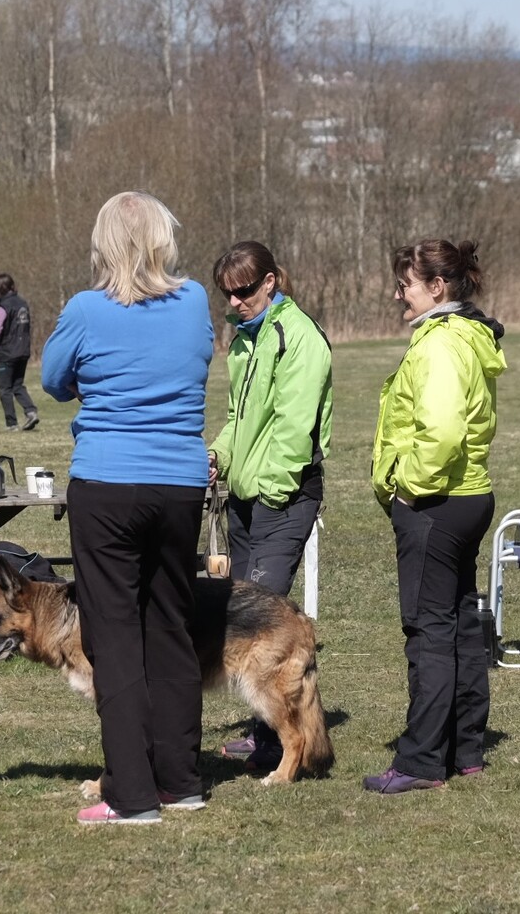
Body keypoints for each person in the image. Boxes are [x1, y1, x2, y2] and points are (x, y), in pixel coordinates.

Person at [40, 191, 214, 825]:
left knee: (113, 639)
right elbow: (195, 360)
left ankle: (132, 795)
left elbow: (53, 380)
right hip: (179, 484)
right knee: (170, 627)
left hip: (108, 483)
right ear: (163, 240)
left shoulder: (86, 309)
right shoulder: (195, 300)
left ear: (104, 244)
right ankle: (180, 780)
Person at [365, 238, 506, 795]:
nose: (398, 294)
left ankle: (422, 760)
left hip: (437, 503)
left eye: (406, 284)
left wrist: (407, 488)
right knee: (460, 625)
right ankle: (465, 749)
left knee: (429, 632)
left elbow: (443, 431)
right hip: (469, 498)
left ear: (437, 287)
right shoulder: (467, 334)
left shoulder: (440, 344)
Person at [208, 241, 332, 774]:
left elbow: (293, 429)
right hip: (245, 496)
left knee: (264, 623)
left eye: (243, 291)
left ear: (270, 282)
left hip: (283, 496)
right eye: (227, 294)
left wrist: (271, 493)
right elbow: (239, 420)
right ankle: (278, 734)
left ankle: (280, 744)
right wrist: (218, 456)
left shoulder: (299, 337)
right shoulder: (245, 340)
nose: (235, 302)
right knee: (245, 622)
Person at [0, 273, 40, 432]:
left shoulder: (3, 306)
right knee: (18, 385)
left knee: (4, 389)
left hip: (7, 352)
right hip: (23, 350)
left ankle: (11, 424)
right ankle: (31, 411)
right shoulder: (22, 304)